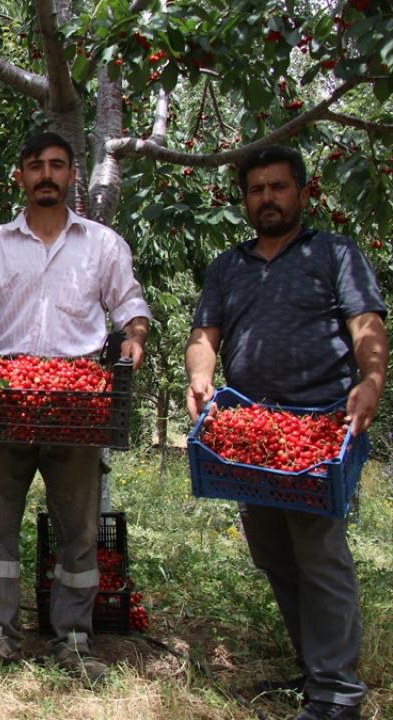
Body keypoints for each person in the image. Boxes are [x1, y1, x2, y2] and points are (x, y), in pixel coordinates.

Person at [185, 145, 386, 720]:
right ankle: (315, 669)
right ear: (244, 199)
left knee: (319, 552)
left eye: (277, 187)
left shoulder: (333, 252)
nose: (267, 198)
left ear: (302, 191)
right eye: (256, 189)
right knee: (273, 552)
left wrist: (370, 379)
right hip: (251, 432)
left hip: (321, 426)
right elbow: (204, 335)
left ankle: (337, 693)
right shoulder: (228, 266)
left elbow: (366, 323)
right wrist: (200, 380)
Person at [0, 131, 151, 684]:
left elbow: (130, 303)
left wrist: (133, 338)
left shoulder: (103, 245)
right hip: (3, 402)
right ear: (21, 176)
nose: (46, 175)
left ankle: (75, 640)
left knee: (79, 531)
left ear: (73, 175)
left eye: (57, 166)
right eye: (35, 166)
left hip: (76, 404)